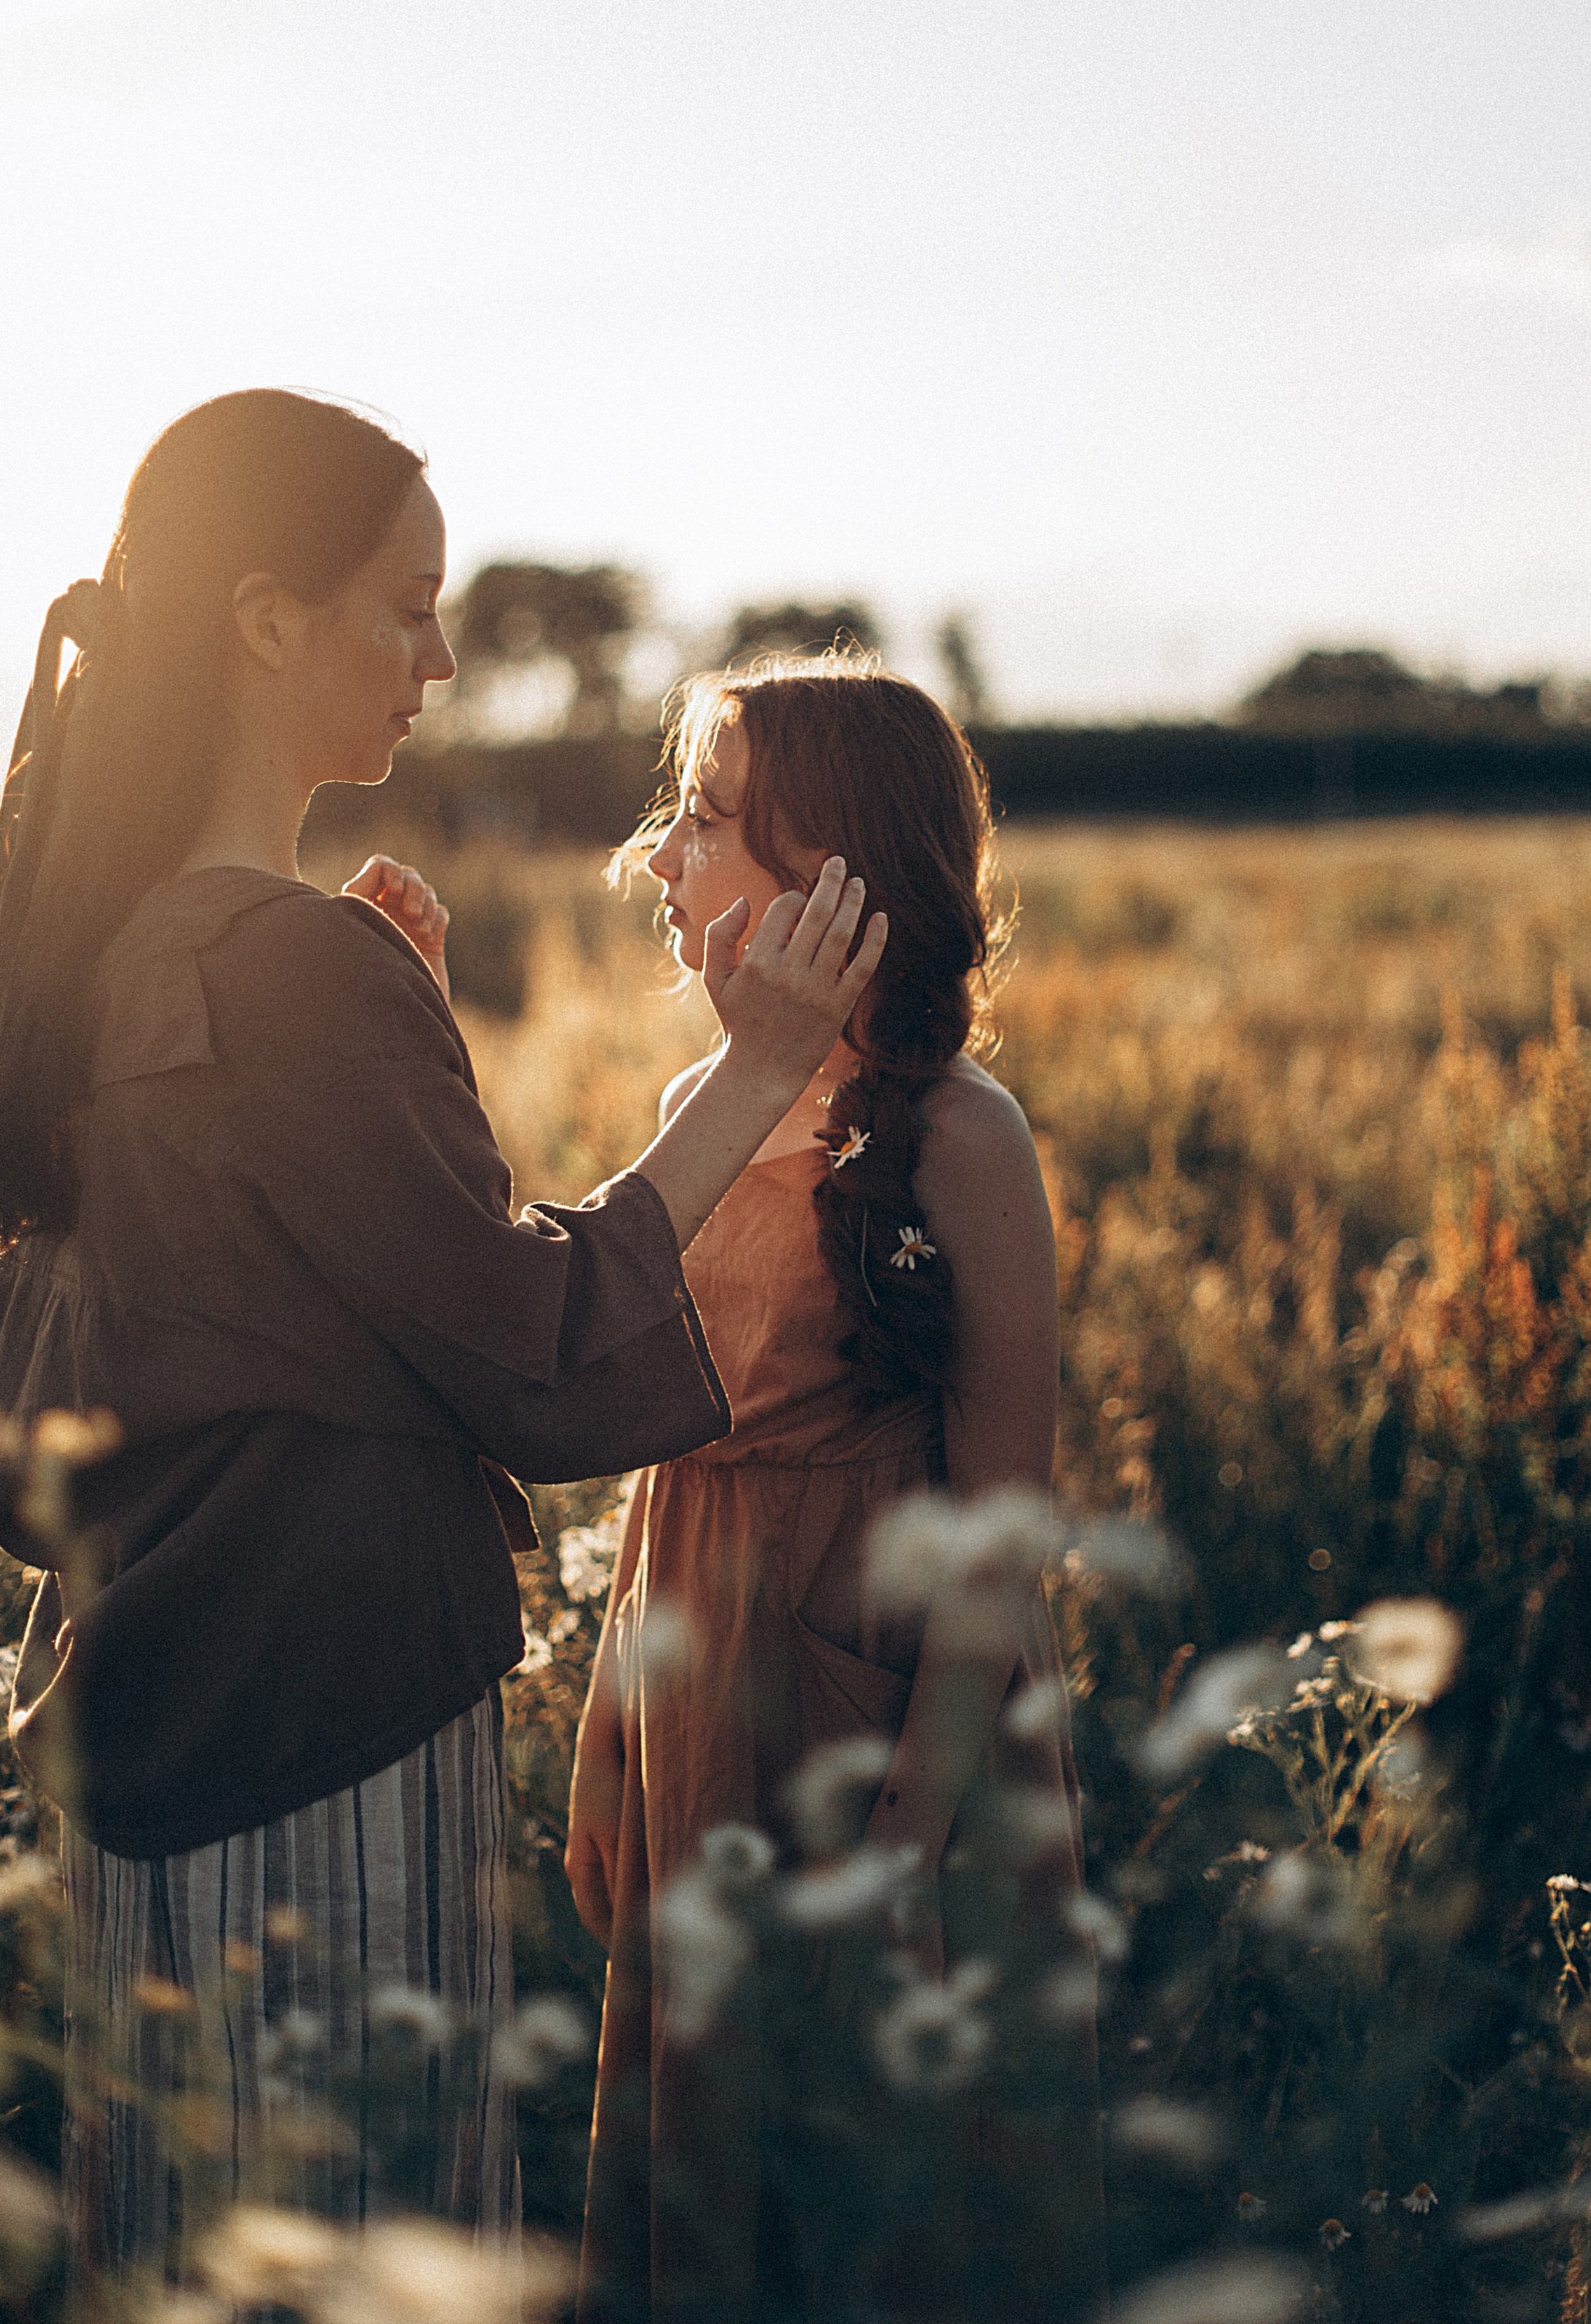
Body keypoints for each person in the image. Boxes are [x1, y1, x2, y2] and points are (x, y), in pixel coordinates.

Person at [0, 391, 885, 2282]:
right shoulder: (289, 966)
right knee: (367, 2252)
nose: (440, 663)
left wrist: (395, 1031)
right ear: (263, 619)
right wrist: (760, 1070)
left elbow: (293, 1295)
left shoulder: (117, 944)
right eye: (403, 609)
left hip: (162, 1712)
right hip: (326, 1712)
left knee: (198, 2244)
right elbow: (521, 1346)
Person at [566, 659, 1103, 2324]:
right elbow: (659, 1442)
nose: (660, 858)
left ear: (840, 882)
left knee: (877, 2157)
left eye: (708, 821)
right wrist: (606, 1722)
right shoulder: (696, 1108)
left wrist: (908, 1834)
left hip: (873, 1699)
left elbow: (1000, 1523)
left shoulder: (958, 1135)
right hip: (691, 1669)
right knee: (714, 2131)